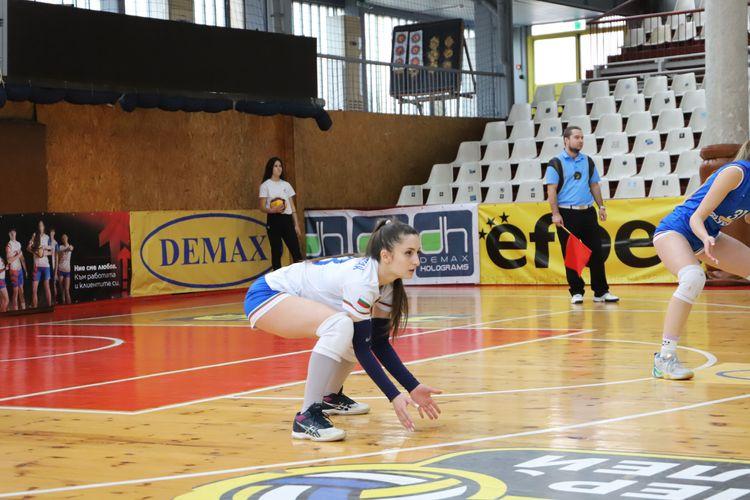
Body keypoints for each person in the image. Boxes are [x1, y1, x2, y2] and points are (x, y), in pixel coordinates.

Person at [243, 219, 442, 441]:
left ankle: (330, 397)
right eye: (408, 253)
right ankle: (306, 417)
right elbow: (363, 349)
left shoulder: (387, 285)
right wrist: (393, 396)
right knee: (341, 325)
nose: (416, 260)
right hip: (266, 295)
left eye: (417, 253)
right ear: (386, 256)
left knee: (352, 332)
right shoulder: (362, 281)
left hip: (281, 296)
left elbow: (377, 342)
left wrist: (412, 386)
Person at [652, 140, 750, 380]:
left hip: (707, 237)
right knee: (693, 277)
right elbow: (696, 217)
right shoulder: (736, 172)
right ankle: (665, 358)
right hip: (676, 230)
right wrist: (706, 237)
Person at [545, 126, 619, 305]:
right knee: (571, 254)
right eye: (577, 137)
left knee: (596, 252)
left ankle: (601, 292)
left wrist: (601, 206)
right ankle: (576, 291)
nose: (580, 141)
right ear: (566, 140)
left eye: (582, 138)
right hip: (566, 213)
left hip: (588, 212)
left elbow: (594, 185)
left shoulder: (588, 161)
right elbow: (551, 190)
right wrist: (555, 213)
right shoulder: (555, 163)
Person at [258, 157, 303, 271]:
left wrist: (296, 225)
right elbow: (262, 207)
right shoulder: (265, 185)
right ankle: (277, 279)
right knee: (277, 251)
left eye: (280, 166)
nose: (279, 168)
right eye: (276, 166)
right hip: (274, 220)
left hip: (287, 220)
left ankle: (300, 277)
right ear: (271, 168)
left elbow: (292, 206)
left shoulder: (286, 185)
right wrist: (273, 210)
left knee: (296, 251)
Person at [27, 220, 52, 308]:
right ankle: (35, 308)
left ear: (44, 227)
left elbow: (51, 251)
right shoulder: (34, 235)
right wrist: (36, 252)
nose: (40, 227)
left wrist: (43, 253)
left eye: (41, 225)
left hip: (45, 266)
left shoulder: (47, 237)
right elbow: (28, 248)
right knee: (34, 289)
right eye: (39, 225)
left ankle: (49, 307)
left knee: (47, 287)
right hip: (37, 266)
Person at [6, 229, 27, 311]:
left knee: (21, 290)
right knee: (16, 291)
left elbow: (22, 258)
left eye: (14, 233)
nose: (13, 234)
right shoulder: (9, 245)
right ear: (9, 234)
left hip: (20, 269)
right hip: (13, 270)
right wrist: (18, 255)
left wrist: (25, 269)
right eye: (11, 233)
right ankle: (16, 310)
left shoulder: (18, 244)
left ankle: (23, 309)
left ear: (15, 233)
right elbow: (9, 260)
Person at [56, 233, 74, 305]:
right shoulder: (60, 247)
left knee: (67, 289)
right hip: (60, 269)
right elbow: (58, 256)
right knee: (62, 290)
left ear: (67, 238)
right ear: (62, 240)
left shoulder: (70, 246)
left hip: (67, 270)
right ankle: (63, 303)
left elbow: (71, 249)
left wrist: (67, 249)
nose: (64, 239)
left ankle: (69, 305)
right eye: (63, 238)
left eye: (65, 237)